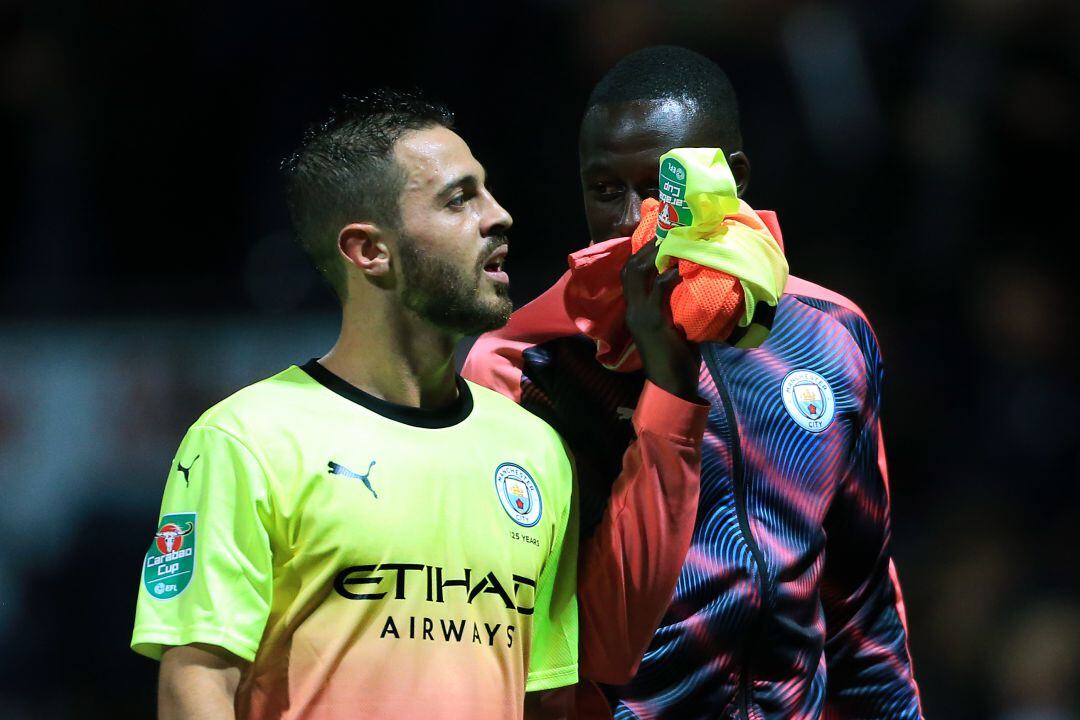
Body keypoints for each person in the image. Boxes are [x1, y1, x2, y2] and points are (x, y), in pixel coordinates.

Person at [130, 89, 706, 720]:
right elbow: (197, 687)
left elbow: (547, 696)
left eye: (486, 191)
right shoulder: (248, 439)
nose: (500, 215)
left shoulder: (534, 449)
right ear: (369, 250)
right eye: (460, 199)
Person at [464, 46, 923, 719]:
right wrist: (668, 384)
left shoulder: (831, 334)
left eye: (660, 186)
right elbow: (586, 640)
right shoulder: (526, 363)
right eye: (604, 188)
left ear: (731, 179)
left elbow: (862, 609)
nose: (630, 219)